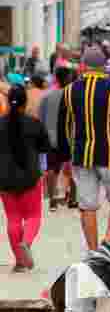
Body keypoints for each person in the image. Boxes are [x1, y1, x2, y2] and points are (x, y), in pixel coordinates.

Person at [57, 46, 110, 258]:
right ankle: (109, 241)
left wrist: (65, 158)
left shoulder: (68, 91)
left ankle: (94, 251)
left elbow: (63, 128)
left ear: (83, 66)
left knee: (87, 205)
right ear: (104, 67)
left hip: (81, 157)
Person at [0, 85, 50, 272]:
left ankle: (19, 262)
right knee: (33, 216)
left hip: (4, 179)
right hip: (30, 177)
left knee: (13, 219)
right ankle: (26, 243)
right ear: (25, 102)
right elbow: (45, 148)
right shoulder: (34, 123)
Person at [39, 66, 75, 211]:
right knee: (73, 168)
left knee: (51, 168)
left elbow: (41, 118)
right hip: (69, 138)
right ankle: (72, 198)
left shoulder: (47, 96)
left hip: (50, 138)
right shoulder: (73, 95)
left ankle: (52, 199)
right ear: (67, 79)